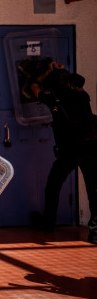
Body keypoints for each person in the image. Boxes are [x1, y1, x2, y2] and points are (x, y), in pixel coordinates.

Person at [28, 62, 97, 244]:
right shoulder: (82, 96)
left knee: (53, 185)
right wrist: (63, 71)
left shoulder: (53, 98)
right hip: (90, 149)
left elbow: (33, 87)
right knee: (93, 190)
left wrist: (47, 71)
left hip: (69, 151)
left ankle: (48, 222)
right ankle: (95, 232)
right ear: (68, 82)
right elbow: (78, 86)